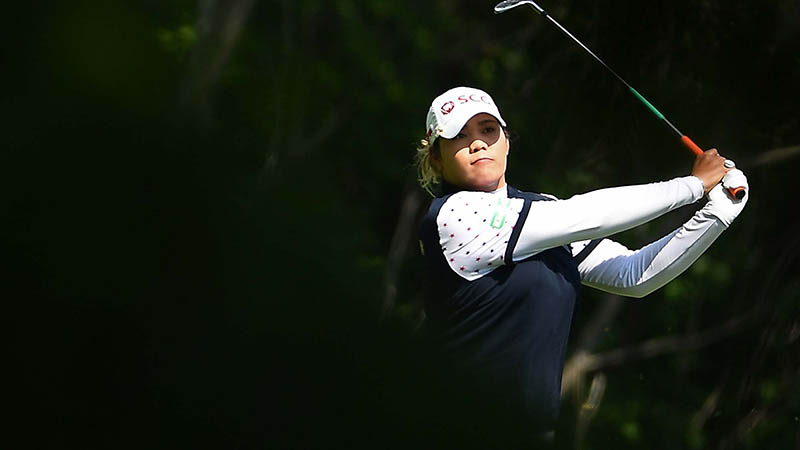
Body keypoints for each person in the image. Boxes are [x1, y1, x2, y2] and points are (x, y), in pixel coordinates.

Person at [415, 86, 748, 434]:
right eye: (460, 135)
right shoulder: (454, 215)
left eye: (488, 130)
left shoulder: (541, 210)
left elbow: (632, 274)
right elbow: (585, 214)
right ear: (437, 158)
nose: (478, 143)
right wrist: (692, 186)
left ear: (507, 141)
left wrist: (718, 213)